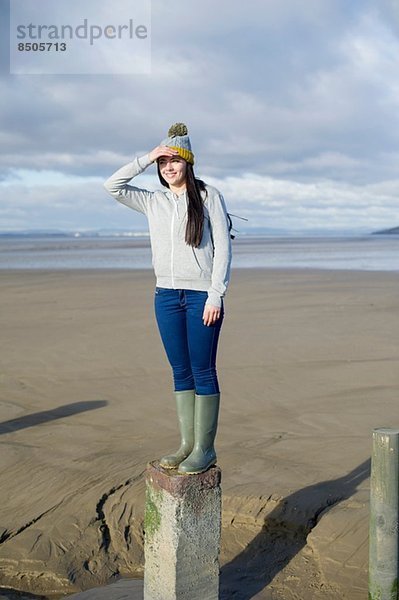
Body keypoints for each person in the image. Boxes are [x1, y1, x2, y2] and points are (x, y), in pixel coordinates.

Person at [103, 123, 232, 475]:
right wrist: (146, 158)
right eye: (164, 163)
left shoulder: (209, 197)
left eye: (174, 161)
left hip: (201, 297)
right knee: (180, 372)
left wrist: (215, 294)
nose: (169, 168)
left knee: (203, 370)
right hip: (166, 296)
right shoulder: (152, 201)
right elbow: (111, 185)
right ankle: (186, 445)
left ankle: (205, 449)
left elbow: (223, 247)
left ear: (188, 164)